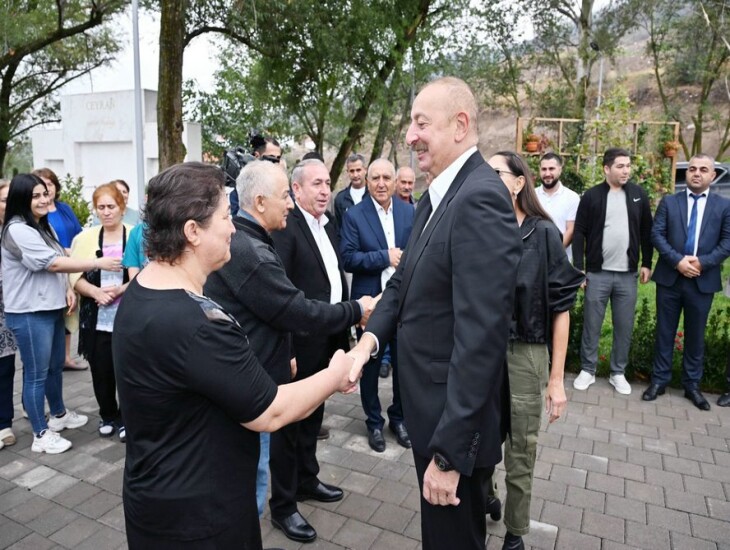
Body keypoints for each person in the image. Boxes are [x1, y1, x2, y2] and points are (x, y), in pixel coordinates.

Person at [112, 161, 359, 549]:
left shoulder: (145, 289)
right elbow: (271, 411)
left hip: (159, 501)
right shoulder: (196, 324)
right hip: (201, 518)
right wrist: (336, 373)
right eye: (226, 217)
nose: (232, 229)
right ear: (192, 231)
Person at [348, 77, 522, 550]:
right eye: (411, 124)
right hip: (431, 414)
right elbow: (401, 283)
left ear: (460, 125)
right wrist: (366, 345)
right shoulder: (437, 195)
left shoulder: (480, 198)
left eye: (421, 123)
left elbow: (481, 339)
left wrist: (448, 457)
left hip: (453, 429)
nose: (410, 136)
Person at [203, 160, 373, 521]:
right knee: (275, 444)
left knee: (308, 420)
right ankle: (283, 506)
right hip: (272, 364)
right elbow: (291, 307)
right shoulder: (255, 248)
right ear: (261, 201)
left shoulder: (309, 227)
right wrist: (356, 309)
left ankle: (304, 481)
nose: (291, 204)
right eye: (286, 195)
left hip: (314, 341)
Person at [486, 151, 584, 550]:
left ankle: (515, 531)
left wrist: (557, 380)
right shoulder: (482, 230)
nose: (486, 178)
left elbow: (561, 309)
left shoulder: (543, 233)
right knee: (480, 433)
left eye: (495, 172)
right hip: (483, 352)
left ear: (517, 182)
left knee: (521, 448)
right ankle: (485, 492)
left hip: (526, 353)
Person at [1, 174, 121, 454]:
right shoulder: (17, 229)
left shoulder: (40, 225)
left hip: (50, 307)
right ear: (22, 199)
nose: (44, 200)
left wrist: (68, 288)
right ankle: (40, 434)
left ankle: (58, 414)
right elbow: (52, 263)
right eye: (36, 196)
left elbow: (62, 254)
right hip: (30, 312)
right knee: (36, 374)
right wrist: (96, 262)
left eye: (45, 193)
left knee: (55, 366)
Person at [268, 159, 353, 543]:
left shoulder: (328, 223)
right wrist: (286, 348)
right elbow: (280, 297)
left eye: (327, 183)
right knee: (289, 425)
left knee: (314, 414)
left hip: (328, 337)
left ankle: (306, 479)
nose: (324, 190)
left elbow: (333, 277)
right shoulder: (286, 229)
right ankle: (283, 505)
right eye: (316, 184)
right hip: (299, 344)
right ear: (296, 190)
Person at [642, 155, 730, 410]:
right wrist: (678, 261)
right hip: (670, 278)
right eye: (692, 169)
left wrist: (701, 263)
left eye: (703, 169)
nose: (696, 173)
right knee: (664, 331)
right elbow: (657, 234)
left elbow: (727, 242)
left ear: (713, 175)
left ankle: (692, 385)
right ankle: (659, 380)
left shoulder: (724, 206)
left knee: (695, 335)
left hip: (702, 280)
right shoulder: (670, 202)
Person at [340, 158, 414, 453]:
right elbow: (348, 257)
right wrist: (385, 256)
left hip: (404, 304)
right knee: (369, 367)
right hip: (371, 305)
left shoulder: (410, 212)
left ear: (395, 181)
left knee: (404, 366)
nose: (381, 183)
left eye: (386, 177)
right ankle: (373, 422)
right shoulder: (354, 215)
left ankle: (399, 418)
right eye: (375, 178)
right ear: (367, 182)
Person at [572, 148, 653, 395]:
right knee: (592, 324)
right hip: (597, 273)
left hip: (627, 275)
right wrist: (579, 267)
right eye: (620, 166)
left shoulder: (638, 195)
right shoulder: (591, 196)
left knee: (624, 326)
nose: (626, 170)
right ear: (606, 169)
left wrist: (647, 263)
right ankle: (588, 369)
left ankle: (618, 372)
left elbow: (647, 231)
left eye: (628, 165)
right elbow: (579, 232)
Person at [69, 183, 132, 439]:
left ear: (122, 207)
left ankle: (127, 418)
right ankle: (107, 415)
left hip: (127, 316)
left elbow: (146, 272)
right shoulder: (85, 238)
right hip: (95, 317)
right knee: (101, 370)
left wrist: (120, 290)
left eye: (111, 206)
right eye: (101, 207)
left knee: (127, 371)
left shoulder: (135, 235)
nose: (106, 212)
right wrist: (95, 292)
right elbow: (74, 275)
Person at [32, 168, 85, 371]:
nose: (47, 189)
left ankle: (66, 357)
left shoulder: (64, 209)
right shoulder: (36, 214)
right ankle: (52, 359)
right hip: (53, 266)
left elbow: (78, 233)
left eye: (50, 184)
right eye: (42, 185)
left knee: (70, 312)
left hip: (72, 264)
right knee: (56, 313)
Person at [535, 153, 580, 261]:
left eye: (551, 169)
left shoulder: (572, 197)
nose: (547, 173)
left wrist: (553, 253)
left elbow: (571, 230)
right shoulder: (532, 196)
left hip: (561, 261)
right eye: (544, 169)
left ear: (560, 170)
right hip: (534, 259)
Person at [0, 179, 18, 451]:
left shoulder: (17, 230)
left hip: (10, 306)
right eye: (4, 200)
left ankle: (4, 422)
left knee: (5, 366)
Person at [229, 135, 283, 213]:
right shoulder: (240, 192)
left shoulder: (282, 186)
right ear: (257, 156)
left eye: (278, 158)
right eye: (271, 158)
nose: (275, 163)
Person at [333, 153, 368, 229]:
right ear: (348, 172)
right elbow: (338, 229)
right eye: (352, 171)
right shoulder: (340, 199)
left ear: (365, 170)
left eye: (358, 170)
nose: (355, 175)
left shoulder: (374, 194)